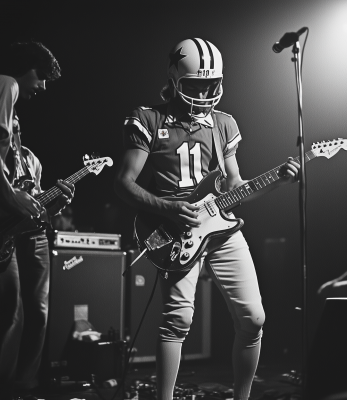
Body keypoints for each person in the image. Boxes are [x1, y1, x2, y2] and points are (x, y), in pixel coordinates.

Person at [115, 38, 300, 400]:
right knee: (177, 321)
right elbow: (123, 184)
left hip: (221, 227)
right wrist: (167, 207)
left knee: (254, 319)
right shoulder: (148, 118)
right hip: (176, 230)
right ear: (174, 77)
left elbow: (236, 187)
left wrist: (279, 180)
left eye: (210, 84)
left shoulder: (224, 124)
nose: (204, 92)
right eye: (195, 84)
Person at [0, 41, 75, 400]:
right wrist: (12, 197)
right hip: (8, 233)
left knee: (33, 311)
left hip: (29, 233)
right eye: (40, 77)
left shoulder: (31, 159)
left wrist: (53, 205)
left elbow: (37, 203)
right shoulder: (5, 84)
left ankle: (22, 386)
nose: (41, 87)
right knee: (13, 310)